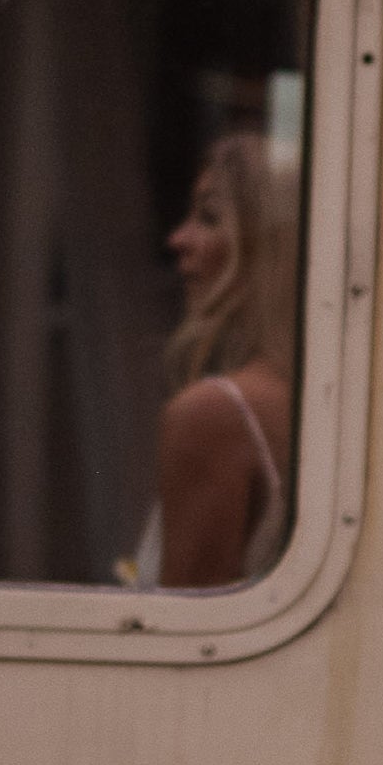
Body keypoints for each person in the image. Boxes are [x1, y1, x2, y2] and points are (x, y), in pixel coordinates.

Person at [122, 129, 295, 589]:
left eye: (210, 217)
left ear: (272, 244)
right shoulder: (310, 401)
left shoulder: (215, 414)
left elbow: (183, 645)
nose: (179, 239)